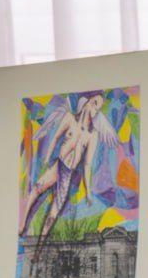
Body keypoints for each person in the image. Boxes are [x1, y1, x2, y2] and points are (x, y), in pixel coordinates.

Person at [20, 93, 118, 248]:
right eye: (94, 103)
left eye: (98, 107)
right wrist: (47, 158)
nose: (95, 109)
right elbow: (55, 138)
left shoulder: (92, 135)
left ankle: (39, 248)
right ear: (87, 102)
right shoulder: (69, 118)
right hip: (58, 165)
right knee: (37, 189)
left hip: (68, 174)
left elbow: (87, 164)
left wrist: (88, 192)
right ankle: (22, 225)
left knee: (53, 214)